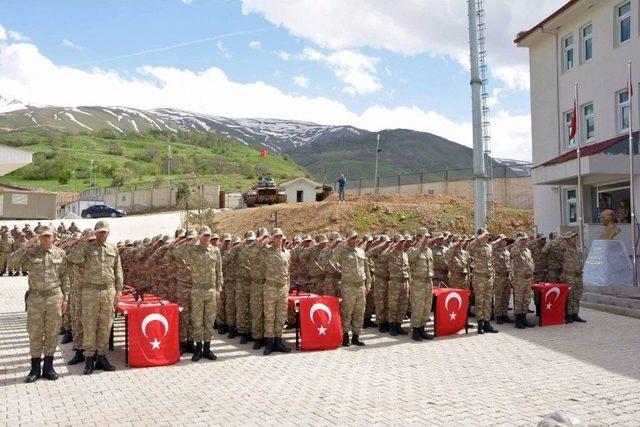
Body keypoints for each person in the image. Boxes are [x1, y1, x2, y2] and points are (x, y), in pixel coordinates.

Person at [9, 226, 69, 383]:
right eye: (43, 236)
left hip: (55, 297)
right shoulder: (31, 252)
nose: (46, 239)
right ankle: (35, 369)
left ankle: (48, 367)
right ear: (39, 237)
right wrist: (26, 246)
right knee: (35, 332)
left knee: (52, 332)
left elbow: (65, 277)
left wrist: (66, 298)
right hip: (35, 298)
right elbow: (11, 262)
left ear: (53, 237)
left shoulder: (60, 253)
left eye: (49, 236)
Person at [68, 220, 123, 375]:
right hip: (90, 292)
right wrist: (83, 242)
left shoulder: (113, 248)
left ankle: (102, 357)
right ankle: (89, 359)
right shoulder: (87, 248)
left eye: (104, 232)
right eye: (99, 232)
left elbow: (118, 270)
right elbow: (73, 258)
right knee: (90, 325)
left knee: (105, 325)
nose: (102, 234)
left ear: (108, 233)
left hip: (108, 291)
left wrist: (118, 291)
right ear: (95, 232)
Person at [174, 226, 223, 361]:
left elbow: (219, 271)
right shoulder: (192, 250)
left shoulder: (215, 251)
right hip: (197, 290)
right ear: (199, 237)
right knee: (197, 320)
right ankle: (198, 349)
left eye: (208, 236)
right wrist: (188, 242)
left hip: (211, 290)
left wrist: (219, 289)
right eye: (204, 236)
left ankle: (207, 349)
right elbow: (176, 253)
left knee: (209, 320)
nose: (207, 238)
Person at [333, 230, 370, 347]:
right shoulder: (342, 252)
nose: (355, 240)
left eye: (356, 238)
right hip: (348, 286)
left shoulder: (361, 252)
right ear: (347, 239)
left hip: (360, 286)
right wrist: (341, 244)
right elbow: (332, 258)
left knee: (359, 312)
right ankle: (345, 336)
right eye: (352, 238)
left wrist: (368, 284)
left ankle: (356, 336)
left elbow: (366, 269)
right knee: (347, 312)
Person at [262, 228, 292, 354]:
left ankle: (279, 341)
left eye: (280, 237)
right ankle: (269, 343)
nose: (279, 239)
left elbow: (288, 272)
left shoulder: (287, 253)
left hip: (283, 288)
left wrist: (288, 287)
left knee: (281, 316)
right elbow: (250, 253)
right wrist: (263, 241)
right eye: (276, 237)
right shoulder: (267, 251)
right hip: (271, 288)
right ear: (272, 238)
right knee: (269, 316)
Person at [467, 228, 499, 334]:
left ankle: (487, 323)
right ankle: (480, 324)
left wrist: (493, 276)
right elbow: (468, 249)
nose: (486, 238)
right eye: (484, 236)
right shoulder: (475, 246)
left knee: (488, 301)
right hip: (479, 278)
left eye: (487, 236)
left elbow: (492, 263)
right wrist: (477, 239)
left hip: (489, 278)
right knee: (480, 301)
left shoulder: (489, 247)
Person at [407, 228, 434, 341]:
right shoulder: (412, 250)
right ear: (418, 237)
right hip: (418, 283)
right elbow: (411, 259)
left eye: (428, 237)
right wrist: (419, 244)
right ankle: (415, 331)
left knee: (426, 308)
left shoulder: (429, 251)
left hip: (428, 282)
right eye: (424, 237)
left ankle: (422, 329)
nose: (427, 239)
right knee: (417, 308)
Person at [386, 234, 410, 336]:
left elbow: (408, 269)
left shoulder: (405, 254)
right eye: (400, 242)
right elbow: (383, 254)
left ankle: (399, 325)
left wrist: (409, 283)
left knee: (403, 305)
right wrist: (391, 246)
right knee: (393, 305)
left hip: (405, 282)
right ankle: (391, 326)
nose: (402, 243)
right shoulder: (391, 253)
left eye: (403, 242)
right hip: (395, 282)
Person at [510, 232, 535, 329]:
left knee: (527, 300)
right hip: (519, 279)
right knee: (519, 300)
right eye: (522, 239)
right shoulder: (515, 249)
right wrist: (518, 243)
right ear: (518, 240)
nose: (525, 241)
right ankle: (518, 320)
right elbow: (514, 254)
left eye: (525, 239)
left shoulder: (528, 250)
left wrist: (532, 273)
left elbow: (531, 262)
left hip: (527, 278)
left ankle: (524, 318)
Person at [561, 231, 586, 323]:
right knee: (569, 297)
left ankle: (575, 314)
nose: (575, 239)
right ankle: (568, 315)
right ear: (568, 239)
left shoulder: (577, 248)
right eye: (572, 237)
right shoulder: (564, 248)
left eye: (575, 237)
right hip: (569, 276)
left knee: (577, 295)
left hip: (578, 276)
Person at [492, 234, 512, 324]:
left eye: (505, 240)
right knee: (499, 297)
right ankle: (498, 315)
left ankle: (505, 314)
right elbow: (491, 245)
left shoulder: (507, 252)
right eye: (503, 240)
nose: (505, 241)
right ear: (499, 241)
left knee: (506, 297)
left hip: (507, 276)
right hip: (499, 277)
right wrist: (497, 240)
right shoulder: (495, 250)